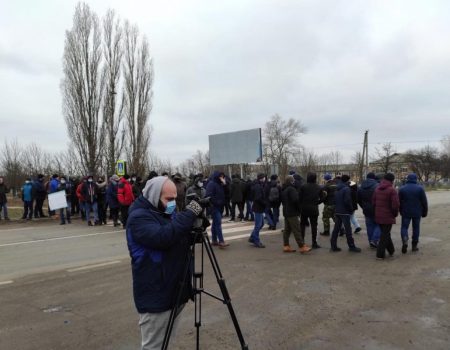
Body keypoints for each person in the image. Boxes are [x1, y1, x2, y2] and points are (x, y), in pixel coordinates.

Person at [126, 176, 206, 350]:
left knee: (166, 343)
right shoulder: (138, 218)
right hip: (156, 296)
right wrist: (190, 212)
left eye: (175, 199)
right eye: (168, 199)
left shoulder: (165, 212)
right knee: (154, 347)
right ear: (154, 196)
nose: (172, 203)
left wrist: (198, 224)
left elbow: (178, 237)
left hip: (176, 290)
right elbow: (164, 237)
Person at [330, 175, 362, 253]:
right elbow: (347, 201)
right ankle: (351, 246)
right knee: (348, 230)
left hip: (338, 211)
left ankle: (333, 245)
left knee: (336, 229)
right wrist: (350, 209)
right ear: (347, 181)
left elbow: (334, 201)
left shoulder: (337, 188)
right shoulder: (346, 189)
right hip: (345, 212)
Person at [281, 175, 312, 253]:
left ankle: (286, 246)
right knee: (297, 230)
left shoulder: (284, 189)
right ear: (292, 181)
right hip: (292, 212)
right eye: (293, 180)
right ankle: (302, 246)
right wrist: (299, 210)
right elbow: (296, 200)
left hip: (286, 212)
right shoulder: (292, 189)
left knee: (287, 230)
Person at [398, 173, 428, 253]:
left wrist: (400, 210)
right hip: (417, 212)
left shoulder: (402, 189)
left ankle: (405, 239)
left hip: (406, 212)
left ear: (407, 179)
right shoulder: (420, 189)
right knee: (416, 228)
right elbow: (424, 202)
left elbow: (398, 202)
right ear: (416, 179)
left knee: (404, 227)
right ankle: (414, 246)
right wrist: (425, 212)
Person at [372, 173, 400, 260]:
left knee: (386, 233)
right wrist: (395, 214)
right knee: (384, 235)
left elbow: (373, 203)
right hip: (388, 216)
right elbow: (395, 205)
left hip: (378, 215)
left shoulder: (377, 189)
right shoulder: (392, 190)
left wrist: (376, 212)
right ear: (392, 180)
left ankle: (391, 250)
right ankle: (380, 254)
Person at [299, 173, 326, 249]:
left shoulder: (303, 186)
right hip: (314, 208)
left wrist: (301, 204)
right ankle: (314, 243)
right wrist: (317, 202)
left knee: (302, 225)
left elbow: (299, 198)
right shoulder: (318, 187)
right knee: (314, 226)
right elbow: (322, 198)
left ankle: (302, 242)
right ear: (315, 178)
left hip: (304, 208)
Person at [205, 171, 229, 248]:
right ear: (217, 176)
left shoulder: (220, 184)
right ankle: (221, 241)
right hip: (214, 207)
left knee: (215, 224)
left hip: (220, 207)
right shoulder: (211, 184)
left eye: (223, 176)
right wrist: (218, 202)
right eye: (220, 176)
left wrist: (225, 184)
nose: (222, 178)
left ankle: (214, 240)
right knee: (218, 224)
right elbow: (209, 196)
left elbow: (227, 192)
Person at [357, 172, 381, 249]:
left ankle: (371, 241)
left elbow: (359, 199)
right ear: (374, 178)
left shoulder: (361, 186)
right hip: (376, 208)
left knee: (369, 226)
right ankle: (374, 240)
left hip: (366, 209)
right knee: (379, 224)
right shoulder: (377, 186)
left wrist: (363, 206)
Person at [248, 173, 267, 248]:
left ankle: (252, 237)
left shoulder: (258, 185)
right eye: (264, 178)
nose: (265, 179)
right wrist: (265, 203)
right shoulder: (258, 186)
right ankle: (256, 241)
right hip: (258, 208)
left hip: (259, 208)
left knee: (261, 224)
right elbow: (258, 198)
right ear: (262, 178)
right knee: (258, 225)